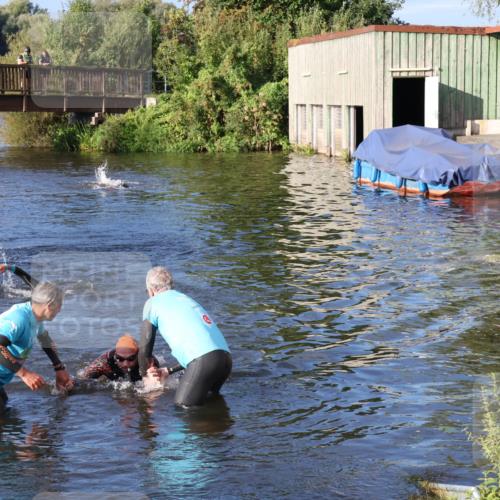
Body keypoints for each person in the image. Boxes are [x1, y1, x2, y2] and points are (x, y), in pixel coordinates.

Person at [139, 266, 232, 407]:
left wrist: (145, 378)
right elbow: (200, 348)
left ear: (151, 290)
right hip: (225, 360)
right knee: (212, 406)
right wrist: (168, 371)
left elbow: (145, 349)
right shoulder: (185, 299)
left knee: (183, 409)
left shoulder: (152, 303)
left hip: (204, 361)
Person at [0, 282, 74, 413]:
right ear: (49, 305)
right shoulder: (18, 319)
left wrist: (59, 368)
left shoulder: (35, 316)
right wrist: (25, 374)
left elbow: (44, 338)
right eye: (60, 306)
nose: (60, 310)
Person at [80, 334, 166, 383]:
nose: (125, 364)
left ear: (138, 356)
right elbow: (83, 380)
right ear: (115, 356)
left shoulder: (147, 361)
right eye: (120, 359)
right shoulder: (104, 362)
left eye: (131, 358)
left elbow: (155, 388)